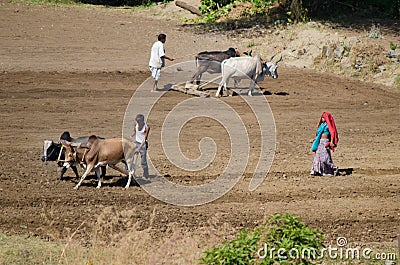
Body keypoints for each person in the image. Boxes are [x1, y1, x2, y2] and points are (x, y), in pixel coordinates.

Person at [310, 112, 339, 176]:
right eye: (322, 117)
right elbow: (318, 134)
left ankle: (333, 169)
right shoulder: (321, 125)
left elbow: (332, 133)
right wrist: (314, 139)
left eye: (324, 117)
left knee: (325, 158)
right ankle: (315, 170)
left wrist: (332, 142)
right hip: (320, 142)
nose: (322, 119)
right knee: (317, 157)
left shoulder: (328, 125)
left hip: (325, 142)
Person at [131, 114, 150, 178]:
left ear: (142, 121)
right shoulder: (136, 124)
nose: (138, 123)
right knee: (129, 157)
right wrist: (132, 135)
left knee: (143, 162)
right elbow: (135, 131)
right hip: (136, 142)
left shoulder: (147, 127)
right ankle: (129, 171)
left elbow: (144, 139)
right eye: (137, 121)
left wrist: (139, 148)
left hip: (143, 144)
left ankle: (146, 174)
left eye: (139, 122)